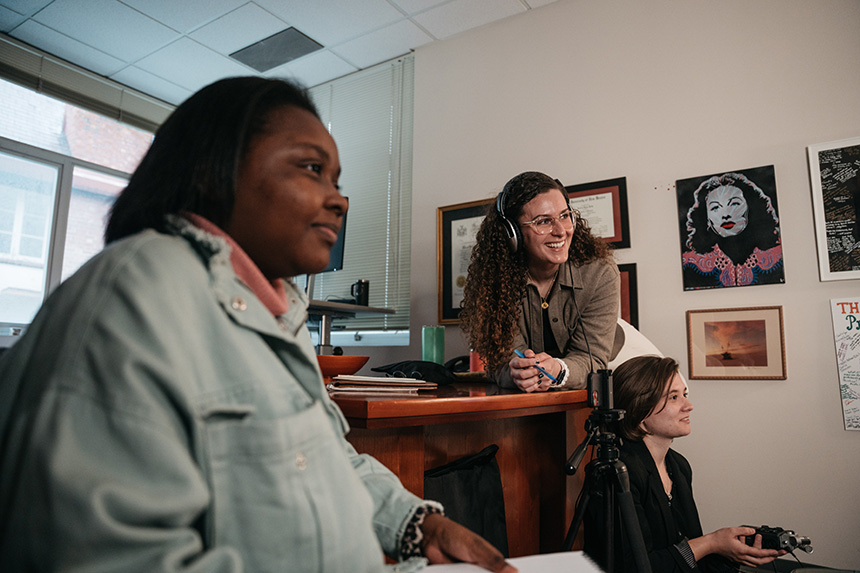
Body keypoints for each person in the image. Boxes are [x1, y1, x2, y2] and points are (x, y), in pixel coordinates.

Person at [0, 77, 515, 573]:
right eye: (312, 169)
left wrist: (417, 525)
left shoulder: (278, 310)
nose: (339, 200)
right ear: (216, 169)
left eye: (337, 181)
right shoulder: (135, 292)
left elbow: (322, 457)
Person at [583, 355, 785, 572]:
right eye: (673, 397)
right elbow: (636, 567)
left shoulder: (678, 466)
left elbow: (688, 554)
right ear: (639, 410)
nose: (688, 406)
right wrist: (712, 543)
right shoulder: (617, 473)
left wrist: (732, 551)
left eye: (684, 395)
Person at [460, 171, 619, 392]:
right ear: (512, 233)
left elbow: (594, 360)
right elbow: (499, 363)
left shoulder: (599, 273)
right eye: (543, 221)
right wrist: (516, 373)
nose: (561, 231)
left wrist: (560, 370)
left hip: (614, 373)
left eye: (565, 216)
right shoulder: (492, 281)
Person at [681, 172, 783, 289]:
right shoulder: (688, 264)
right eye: (715, 208)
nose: (725, 215)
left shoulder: (779, 256)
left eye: (734, 204)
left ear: (751, 207)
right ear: (707, 218)